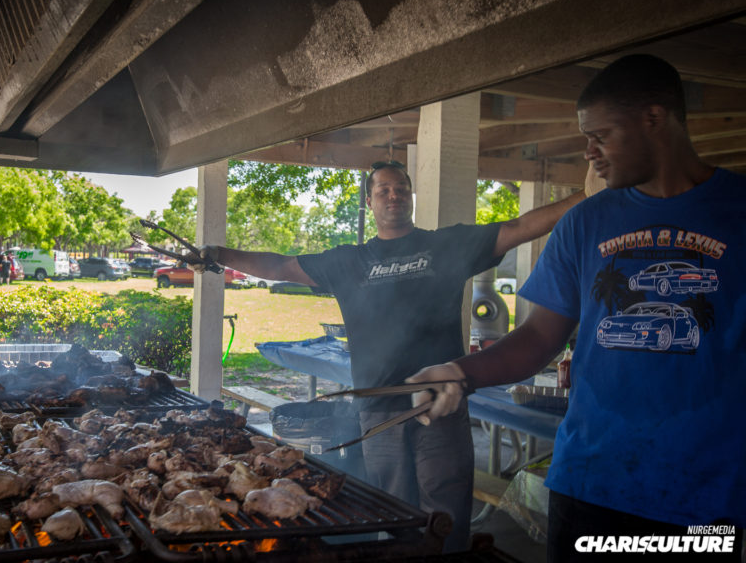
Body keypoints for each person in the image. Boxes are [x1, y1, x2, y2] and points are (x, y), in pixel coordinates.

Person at [410, 54, 745, 560]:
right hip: (591, 481)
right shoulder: (585, 222)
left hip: (705, 495)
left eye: (601, 135)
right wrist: (459, 371)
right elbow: (539, 338)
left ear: (654, 120)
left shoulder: (739, 213)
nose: (589, 151)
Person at [190, 158, 591, 551]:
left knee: (444, 514)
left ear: (411, 197)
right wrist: (220, 255)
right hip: (378, 411)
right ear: (370, 202)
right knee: (391, 511)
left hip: (440, 405)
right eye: (383, 189)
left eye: (401, 188)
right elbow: (279, 265)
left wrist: (585, 195)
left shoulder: (446, 246)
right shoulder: (348, 261)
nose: (393, 195)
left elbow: (518, 228)